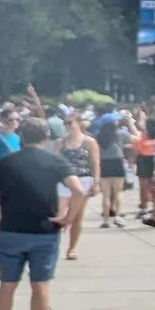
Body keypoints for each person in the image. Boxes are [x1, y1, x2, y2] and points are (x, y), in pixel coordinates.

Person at [0, 117, 72, 310]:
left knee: (7, 285)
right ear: (45, 138)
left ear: (21, 136)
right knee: (40, 284)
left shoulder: (5, 164)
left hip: (11, 230)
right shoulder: (55, 161)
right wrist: (68, 217)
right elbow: (79, 189)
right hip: (44, 231)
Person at [57, 112, 99, 262]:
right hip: (64, 180)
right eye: (65, 123)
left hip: (84, 180)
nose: (67, 126)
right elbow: (54, 162)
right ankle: (54, 245)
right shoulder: (60, 142)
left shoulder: (89, 142)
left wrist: (96, 182)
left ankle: (72, 248)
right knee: (59, 213)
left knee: (77, 216)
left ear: (78, 123)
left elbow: (95, 162)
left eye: (70, 122)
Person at [90, 102, 129, 226]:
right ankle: (118, 216)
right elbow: (136, 138)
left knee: (105, 194)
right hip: (117, 162)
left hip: (103, 163)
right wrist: (130, 124)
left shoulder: (97, 136)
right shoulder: (121, 133)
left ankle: (106, 220)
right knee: (118, 192)